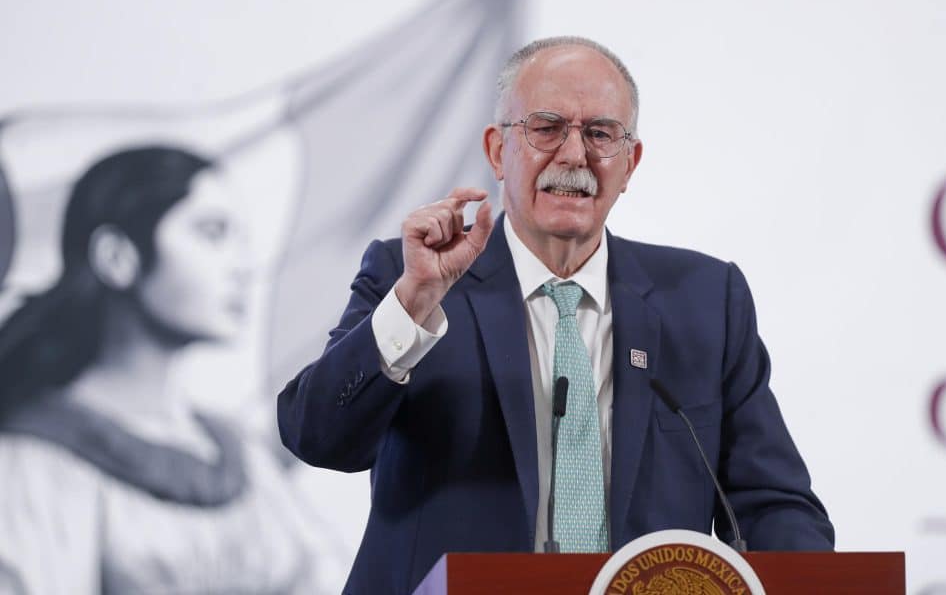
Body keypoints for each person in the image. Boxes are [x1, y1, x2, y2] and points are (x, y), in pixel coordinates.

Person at [278, 36, 835, 595]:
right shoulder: (413, 276)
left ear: (630, 162)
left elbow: (774, 504)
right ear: (498, 151)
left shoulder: (706, 299)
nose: (574, 155)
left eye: (600, 134)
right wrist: (414, 302)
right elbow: (318, 436)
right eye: (547, 128)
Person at [0, 146, 343, 593]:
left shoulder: (238, 455)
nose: (242, 266)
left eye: (240, 238)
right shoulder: (34, 461)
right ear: (117, 257)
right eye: (211, 232)